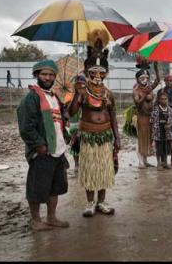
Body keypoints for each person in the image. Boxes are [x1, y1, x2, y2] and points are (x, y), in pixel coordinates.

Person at [67, 29, 120, 217]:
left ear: (105, 73)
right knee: (90, 169)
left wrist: (117, 139)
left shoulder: (108, 94)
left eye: (101, 72)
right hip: (88, 136)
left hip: (105, 137)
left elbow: (113, 117)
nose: (98, 75)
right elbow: (71, 112)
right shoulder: (82, 91)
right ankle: (89, 203)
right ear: (88, 72)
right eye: (94, 71)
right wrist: (76, 93)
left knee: (104, 170)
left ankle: (102, 202)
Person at [17, 59, 70, 231]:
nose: (47, 77)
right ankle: (35, 220)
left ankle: (51, 217)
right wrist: (39, 145)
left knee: (54, 187)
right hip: (42, 151)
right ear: (37, 75)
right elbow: (26, 127)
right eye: (43, 74)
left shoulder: (55, 98)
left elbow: (59, 122)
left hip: (58, 150)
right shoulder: (31, 99)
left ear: (54, 77)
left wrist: (67, 135)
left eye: (50, 74)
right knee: (37, 187)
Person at [133, 56, 160, 169]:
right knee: (141, 139)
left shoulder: (149, 87)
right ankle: (140, 162)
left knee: (148, 138)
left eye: (146, 78)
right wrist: (145, 95)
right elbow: (137, 102)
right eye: (142, 78)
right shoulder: (136, 90)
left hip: (150, 117)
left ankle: (145, 160)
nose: (145, 80)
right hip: (141, 117)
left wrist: (156, 68)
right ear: (138, 79)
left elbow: (158, 81)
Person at [150, 91, 172, 170]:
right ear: (159, 100)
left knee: (166, 148)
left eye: (165, 99)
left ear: (167, 99)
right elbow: (151, 120)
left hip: (167, 131)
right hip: (158, 131)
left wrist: (169, 125)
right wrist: (153, 132)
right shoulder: (156, 110)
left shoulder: (170, 109)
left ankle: (165, 163)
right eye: (162, 99)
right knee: (158, 148)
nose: (164, 100)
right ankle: (159, 163)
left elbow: (171, 120)